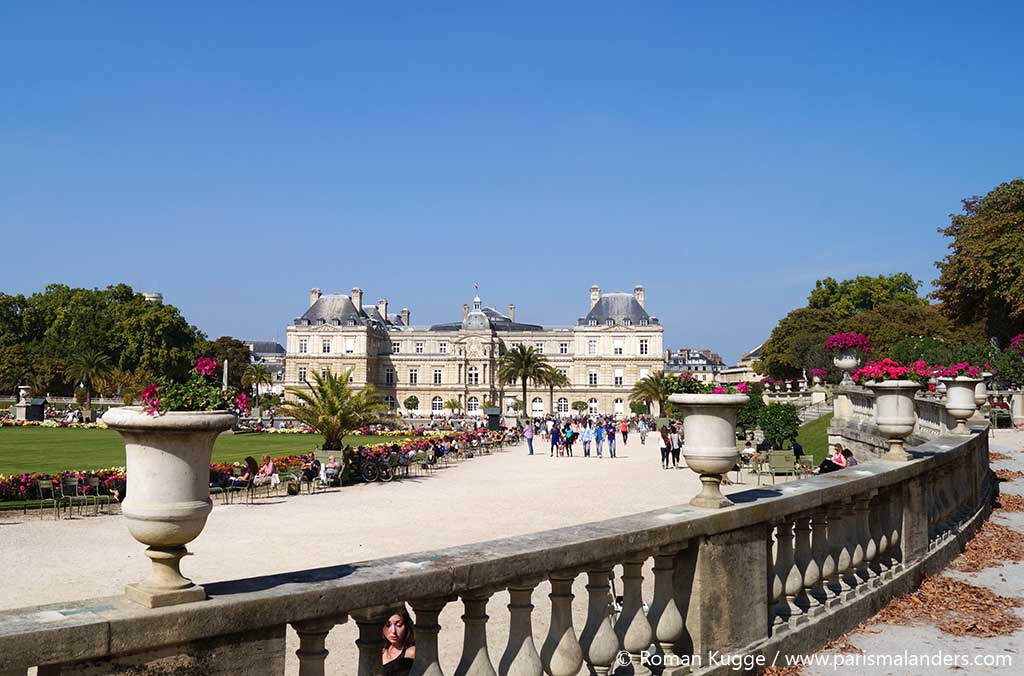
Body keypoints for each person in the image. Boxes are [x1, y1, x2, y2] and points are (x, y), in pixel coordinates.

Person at [381, 607, 416, 676]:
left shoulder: (411, 652)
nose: (393, 631)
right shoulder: (381, 651)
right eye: (388, 625)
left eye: (398, 625)